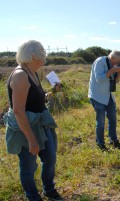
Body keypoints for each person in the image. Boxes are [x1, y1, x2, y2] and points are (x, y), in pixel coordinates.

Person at [3, 40, 63, 200]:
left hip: (40, 122)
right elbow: (18, 110)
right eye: (43, 53)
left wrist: (53, 92)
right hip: (25, 127)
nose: (45, 56)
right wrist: (31, 140)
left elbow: (37, 99)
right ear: (35, 55)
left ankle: (49, 190)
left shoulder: (32, 72)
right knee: (28, 166)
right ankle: (33, 196)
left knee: (50, 158)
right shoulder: (20, 75)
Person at [88, 50, 120, 151]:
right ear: (112, 59)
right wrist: (113, 70)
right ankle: (100, 144)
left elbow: (116, 81)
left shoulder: (113, 64)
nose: (118, 64)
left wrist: (119, 73)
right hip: (97, 96)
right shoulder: (100, 62)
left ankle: (113, 140)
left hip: (108, 96)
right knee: (100, 122)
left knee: (113, 119)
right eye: (117, 62)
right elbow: (99, 78)